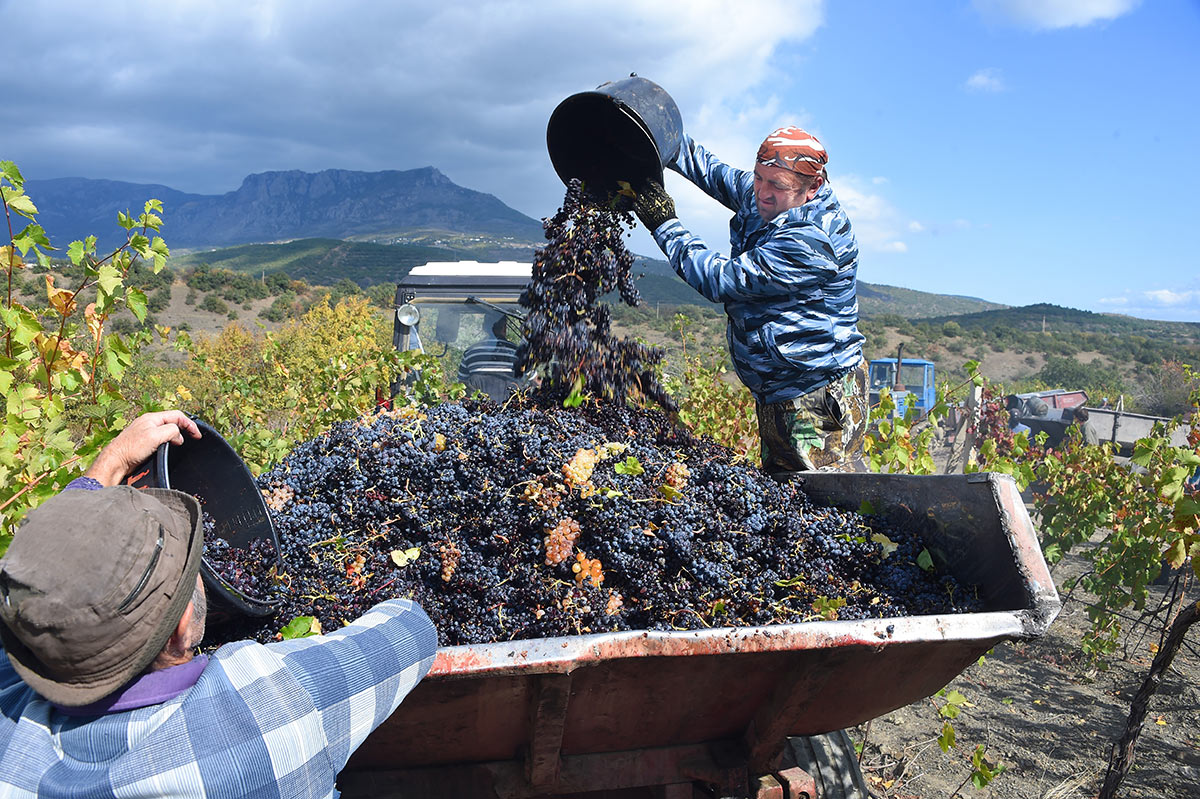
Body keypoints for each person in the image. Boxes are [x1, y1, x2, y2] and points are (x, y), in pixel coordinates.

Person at [0, 411, 437, 799]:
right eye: (192, 562)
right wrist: (108, 466)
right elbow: (412, 628)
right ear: (181, 626)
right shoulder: (268, 704)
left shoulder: (14, 727)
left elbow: (34, 591)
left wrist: (107, 467)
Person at [631, 125, 867, 473]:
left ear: (813, 187)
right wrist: (660, 133)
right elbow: (712, 172)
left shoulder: (811, 239)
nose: (762, 193)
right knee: (785, 492)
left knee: (819, 496)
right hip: (781, 394)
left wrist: (664, 223)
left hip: (814, 401)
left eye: (777, 186)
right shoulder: (773, 192)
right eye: (758, 178)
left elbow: (720, 280)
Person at [457, 312, 523, 401]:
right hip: (513, 408)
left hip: (477, 408)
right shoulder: (518, 353)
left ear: (484, 327)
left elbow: (461, 387)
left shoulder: (470, 353)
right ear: (504, 328)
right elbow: (534, 381)